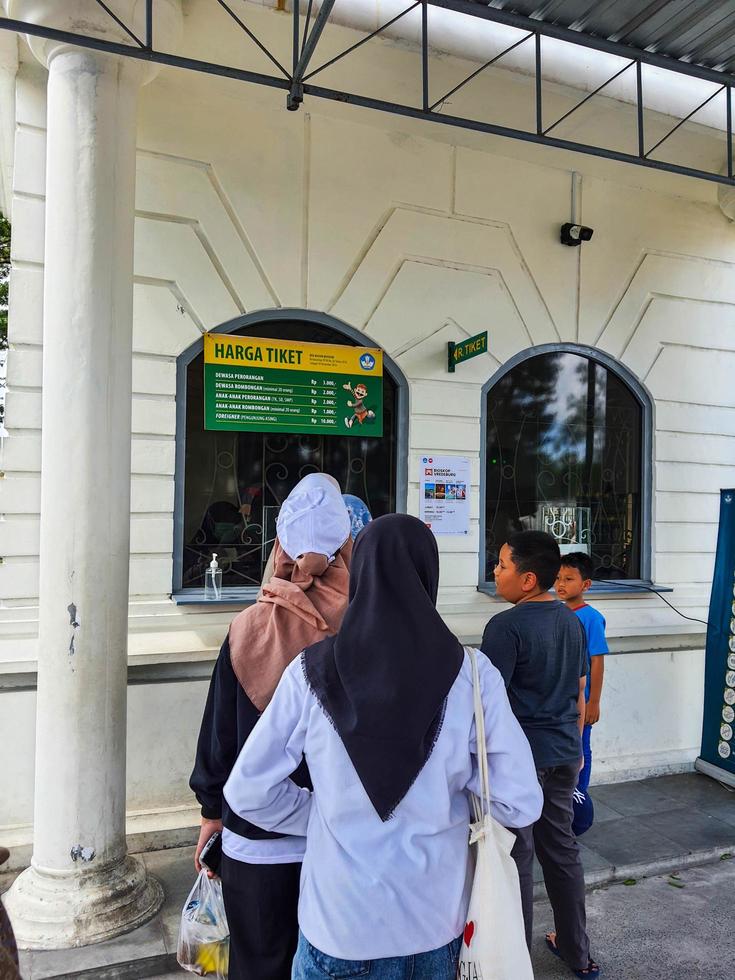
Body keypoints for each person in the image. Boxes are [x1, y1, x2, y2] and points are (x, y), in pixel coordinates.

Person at [223, 514, 542, 980]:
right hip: (438, 925)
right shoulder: (473, 676)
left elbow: (247, 791)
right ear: (428, 577)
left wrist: (319, 814)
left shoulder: (309, 672)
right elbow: (520, 801)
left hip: (339, 927)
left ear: (360, 574)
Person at [190, 473, 352, 980]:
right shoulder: (366, 628)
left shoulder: (248, 628)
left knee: (259, 962)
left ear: (279, 544)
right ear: (348, 547)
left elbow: (220, 732)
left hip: (254, 840)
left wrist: (210, 813)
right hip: (340, 835)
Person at [481, 531, 600, 980]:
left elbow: (487, 704)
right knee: (562, 851)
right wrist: (578, 748)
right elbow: (577, 690)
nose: (496, 571)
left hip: (520, 761)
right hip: (566, 753)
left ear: (528, 579)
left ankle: (516, 964)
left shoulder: (505, 627)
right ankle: (578, 953)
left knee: (518, 858)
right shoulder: (571, 621)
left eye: (502, 565)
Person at [555, 552, 608, 796]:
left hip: (582, 702)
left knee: (581, 746)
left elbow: (597, 660)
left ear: (585, 584)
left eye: (568, 579)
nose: (561, 584)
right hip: (560, 700)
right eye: (557, 578)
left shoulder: (592, 618)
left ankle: (579, 794)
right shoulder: (557, 613)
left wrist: (593, 701)